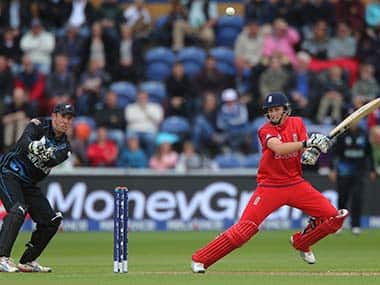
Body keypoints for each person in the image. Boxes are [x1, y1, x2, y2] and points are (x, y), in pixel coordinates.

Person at [191, 92, 349, 273]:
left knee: (333, 216)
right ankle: (200, 259)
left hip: (296, 183)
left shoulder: (297, 122)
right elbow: (279, 148)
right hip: (270, 187)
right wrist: (307, 143)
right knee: (245, 230)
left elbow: (304, 151)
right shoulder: (265, 130)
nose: (273, 114)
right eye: (270, 111)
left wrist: (312, 153)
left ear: (285, 110)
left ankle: (301, 242)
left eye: (276, 110)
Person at [0, 103, 75, 272]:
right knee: (18, 210)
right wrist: (33, 146)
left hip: (29, 183)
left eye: (69, 118)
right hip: (7, 172)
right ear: (54, 115)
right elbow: (25, 139)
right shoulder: (38, 124)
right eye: (63, 116)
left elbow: (52, 160)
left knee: (52, 221)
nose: (65, 121)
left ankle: (28, 261)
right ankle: (2, 257)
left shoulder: (65, 147)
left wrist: (43, 152)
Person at [328, 123, 376, 235]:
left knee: (357, 198)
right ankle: (339, 225)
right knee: (343, 198)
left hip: (359, 171)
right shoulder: (342, 135)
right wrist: (332, 169)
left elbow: (369, 153)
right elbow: (334, 153)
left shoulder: (363, 133)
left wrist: (372, 169)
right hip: (343, 171)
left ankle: (356, 225)